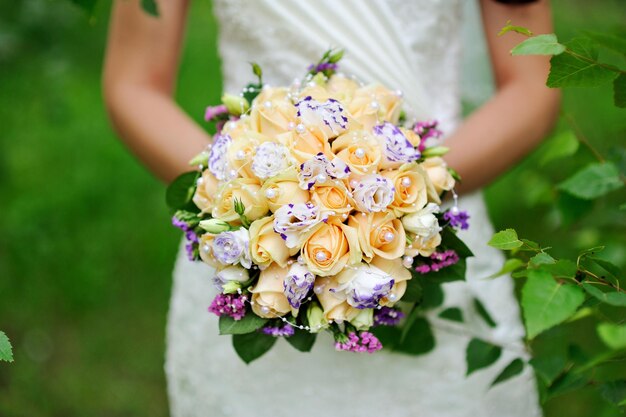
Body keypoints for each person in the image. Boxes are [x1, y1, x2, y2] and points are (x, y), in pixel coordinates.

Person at [103, 1, 560, 416]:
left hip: (429, 220)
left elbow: (532, 85)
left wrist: (399, 198)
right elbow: (134, 83)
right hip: (252, 252)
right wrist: (244, 200)